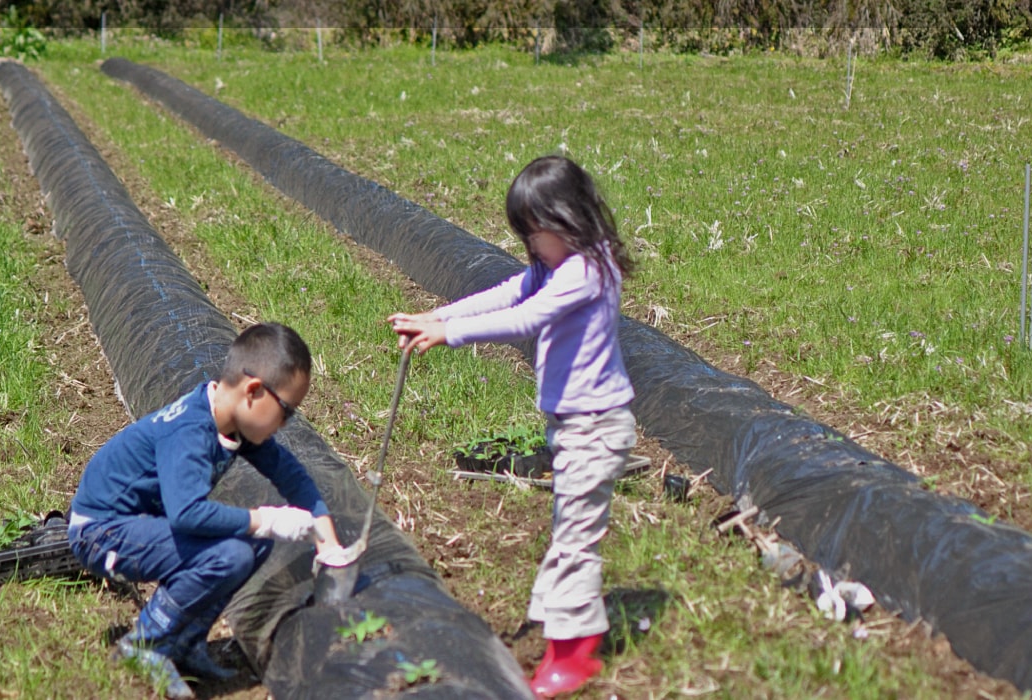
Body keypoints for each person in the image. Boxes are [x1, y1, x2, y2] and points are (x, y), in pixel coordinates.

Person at [388, 155, 636, 697]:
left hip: (597, 427)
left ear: (567, 219)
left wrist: (451, 335)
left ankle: (574, 659)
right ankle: (567, 639)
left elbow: (526, 317)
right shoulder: (558, 264)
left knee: (575, 540)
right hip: (573, 427)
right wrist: (440, 315)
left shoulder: (587, 270)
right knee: (568, 533)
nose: (530, 245)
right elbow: (509, 292)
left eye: (533, 232)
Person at [66, 322, 347, 699]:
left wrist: (327, 542)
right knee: (233, 552)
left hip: (140, 524)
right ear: (254, 391)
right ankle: (147, 643)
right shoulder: (190, 432)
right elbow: (186, 514)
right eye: (287, 411)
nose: (285, 424)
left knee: (255, 545)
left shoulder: (233, 424)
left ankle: (185, 642)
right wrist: (266, 519)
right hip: (101, 530)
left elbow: (293, 477)